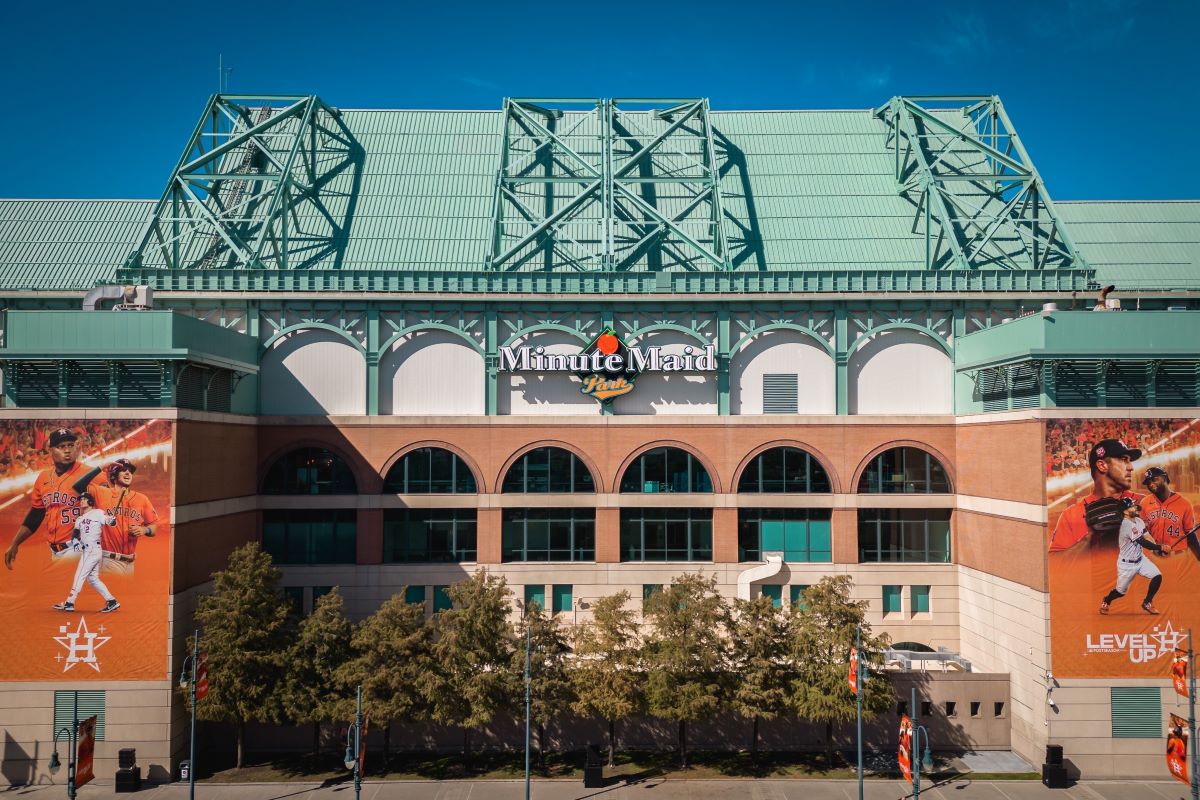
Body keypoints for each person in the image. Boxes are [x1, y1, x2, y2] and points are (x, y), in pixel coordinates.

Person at [4, 428, 108, 570]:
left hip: (81, 550)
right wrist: (15, 543)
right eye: (61, 446)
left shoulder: (92, 475)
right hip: (55, 551)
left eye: (70, 445)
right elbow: (36, 514)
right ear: (50, 449)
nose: (67, 450)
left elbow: (110, 507)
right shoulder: (43, 478)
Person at [1049, 439, 1143, 552]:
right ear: (1102, 465)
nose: (1131, 467)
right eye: (1123, 460)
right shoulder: (1071, 516)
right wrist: (1090, 539)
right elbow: (1056, 563)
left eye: (1129, 461)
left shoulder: (1143, 503)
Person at [51, 492, 119, 613]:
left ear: (90, 501)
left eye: (84, 499)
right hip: (88, 550)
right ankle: (112, 601)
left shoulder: (98, 513)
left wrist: (112, 521)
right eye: (81, 499)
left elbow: (108, 520)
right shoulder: (80, 518)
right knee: (93, 579)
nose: (81, 501)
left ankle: (69, 602)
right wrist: (75, 540)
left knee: (79, 575)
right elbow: (76, 533)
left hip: (92, 550)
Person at [1099, 499, 1166, 615]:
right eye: (1132, 506)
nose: (1135, 508)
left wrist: (1156, 548)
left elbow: (1147, 536)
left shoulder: (1139, 521)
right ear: (1125, 512)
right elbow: (1142, 542)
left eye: (1134, 505)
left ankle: (1147, 602)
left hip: (1140, 559)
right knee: (1120, 592)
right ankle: (1107, 600)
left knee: (1157, 576)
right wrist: (1160, 548)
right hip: (1127, 564)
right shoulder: (1126, 525)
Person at [94, 458, 158, 576]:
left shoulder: (142, 499)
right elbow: (78, 487)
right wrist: (100, 467)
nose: (128, 473)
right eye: (123, 470)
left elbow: (153, 527)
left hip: (130, 563)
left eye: (130, 471)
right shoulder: (102, 494)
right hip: (109, 560)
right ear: (114, 475)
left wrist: (144, 530)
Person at [1140, 467, 1199, 557]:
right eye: (1148, 482)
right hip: (1152, 557)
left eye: (1154, 480)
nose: (1151, 484)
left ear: (1164, 478)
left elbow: (1190, 535)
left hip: (1177, 557)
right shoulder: (1144, 503)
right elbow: (1142, 532)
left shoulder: (1184, 503)